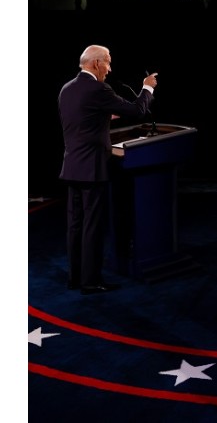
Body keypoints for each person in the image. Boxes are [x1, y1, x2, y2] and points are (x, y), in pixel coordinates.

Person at [58, 45, 158, 295]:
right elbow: (138, 110)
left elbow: (80, 119)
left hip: (72, 166)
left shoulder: (67, 88)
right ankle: (91, 282)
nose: (110, 69)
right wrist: (147, 87)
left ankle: (76, 277)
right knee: (92, 226)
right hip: (92, 169)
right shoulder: (98, 88)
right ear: (95, 64)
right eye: (108, 63)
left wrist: (103, 116)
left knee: (75, 226)